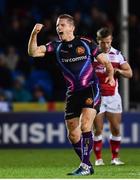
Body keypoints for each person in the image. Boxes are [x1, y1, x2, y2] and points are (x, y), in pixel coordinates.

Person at [28, 14, 115, 176]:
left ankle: (85, 165)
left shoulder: (86, 43)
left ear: (71, 27)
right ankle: (87, 165)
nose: (58, 28)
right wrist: (34, 34)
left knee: (85, 125)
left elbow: (106, 62)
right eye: (57, 25)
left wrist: (110, 76)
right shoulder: (56, 46)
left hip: (90, 88)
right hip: (72, 93)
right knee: (73, 134)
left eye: (61, 25)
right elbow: (33, 52)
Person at [93, 27, 133, 166]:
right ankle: (98, 159)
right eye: (103, 42)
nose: (106, 45)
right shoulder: (92, 55)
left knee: (115, 128)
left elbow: (129, 73)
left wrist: (118, 71)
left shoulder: (117, 55)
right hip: (96, 97)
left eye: (108, 42)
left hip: (113, 97)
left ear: (111, 40)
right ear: (98, 41)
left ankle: (115, 158)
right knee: (97, 129)